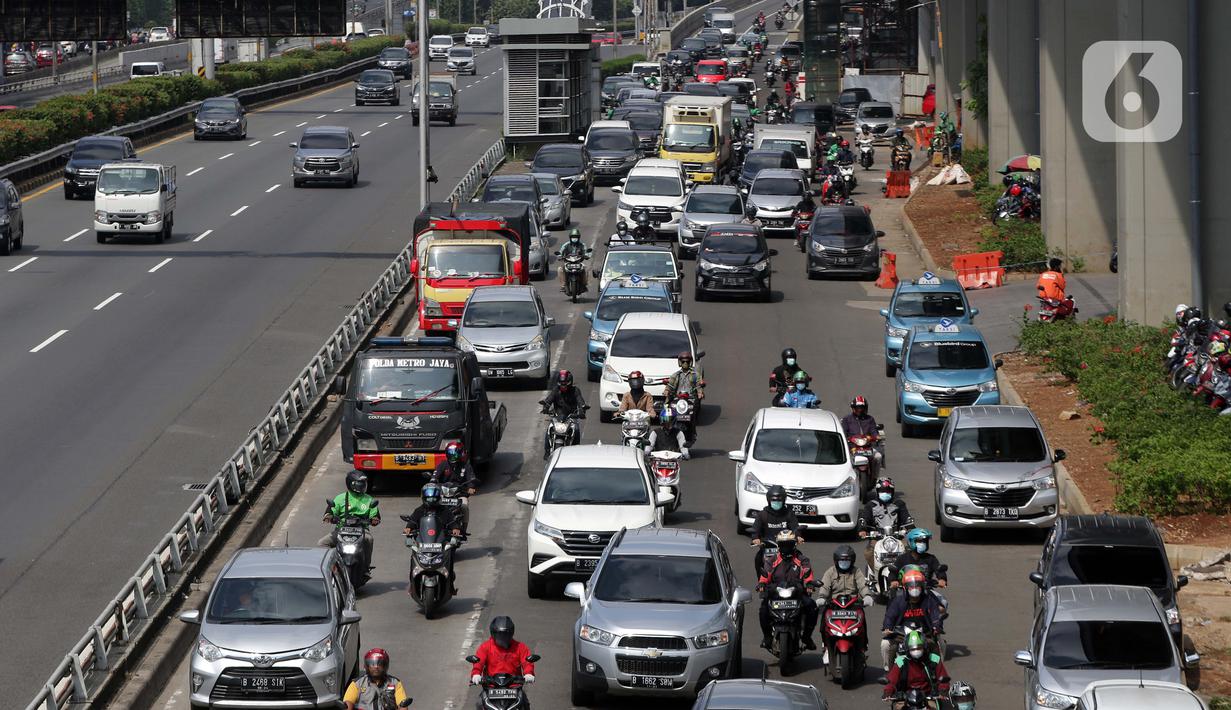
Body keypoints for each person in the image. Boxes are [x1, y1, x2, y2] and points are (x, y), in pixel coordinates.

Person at [757, 530, 819, 651]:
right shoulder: (772, 560)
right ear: (779, 546)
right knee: (763, 609)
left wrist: (809, 584)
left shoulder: (802, 559)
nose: (786, 547)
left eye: (789, 544)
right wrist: (762, 584)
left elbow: (807, 573)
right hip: (776, 593)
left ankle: (807, 637)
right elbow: (765, 575)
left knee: (812, 607)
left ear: (794, 544)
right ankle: (767, 637)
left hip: (797, 592)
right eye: (783, 545)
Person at [402, 482, 462, 594]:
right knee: (413, 557)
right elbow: (412, 521)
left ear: (438, 497)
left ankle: (450, 585)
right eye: (429, 498)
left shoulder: (445, 511)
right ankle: (412, 584)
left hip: (441, 541)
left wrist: (455, 528)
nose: (431, 501)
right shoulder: (419, 510)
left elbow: (453, 522)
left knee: (450, 556)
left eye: (434, 498)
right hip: (423, 541)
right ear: (424, 498)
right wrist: (408, 528)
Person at [817, 545, 875, 660]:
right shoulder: (830, 572)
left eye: (847, 560)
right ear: (836, 561)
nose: (844, 563)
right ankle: (827, 646)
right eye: (842, 560)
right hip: (834, 605)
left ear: (852, 561)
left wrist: (867, 596)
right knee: (824, 620)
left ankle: (863, 646)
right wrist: (822, 597)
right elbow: (825, 586)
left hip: (853, 604)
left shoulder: (856, 571)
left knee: (862, 620)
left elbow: (862, 585)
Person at [880, 569, 945, 671]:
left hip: (924, 634)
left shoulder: (928, 599)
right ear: (905, 588)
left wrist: (936, 626)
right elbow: (889, 616)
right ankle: (888, 671)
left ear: (922, 586)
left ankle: (939, 672)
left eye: (917, 585)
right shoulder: (898, 601)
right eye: (911, 586)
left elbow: (935, 614)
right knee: (885, 644)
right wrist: (887, 628)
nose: (914, 588)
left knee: (939, 645)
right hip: (901, 635)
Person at [319, 471, 381, 559]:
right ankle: (332, 565)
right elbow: (331, 510)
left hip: (362, 531)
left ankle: (366, 568)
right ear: (351, 484)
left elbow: (375, 515)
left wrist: (374, 519)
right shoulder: (340, 498)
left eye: (364, 483)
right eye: (360, 483)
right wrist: (329, 516)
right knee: (322, 543)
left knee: (369, 539)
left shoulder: (369, 499)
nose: (363, 485)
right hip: (341, 530)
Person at [857, 477, 914, 569]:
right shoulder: (870, 505)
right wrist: (862, 529)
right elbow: (864, 519)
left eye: (888, 491)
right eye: (882, 491)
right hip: (877, 537)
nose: (885, 493)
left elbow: (906, 517)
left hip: (897, 536)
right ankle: (875, 573)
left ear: (892, 491)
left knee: (910, 550)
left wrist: (911, 528)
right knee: (869, 553)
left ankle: (905, 572)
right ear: (877, 491)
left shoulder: (899, 504)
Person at [882, 630, 950, 705]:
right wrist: (888, 691)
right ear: (907, 649)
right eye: (913, 649)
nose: (916, 651)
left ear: (924, 647)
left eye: (919, 648)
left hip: (928, 696)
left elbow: (943, 678)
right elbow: (892, 680)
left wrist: (943, 690)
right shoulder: (900, 662)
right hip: (905, 698)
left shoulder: (934, 659)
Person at [750, 485, 801, 576]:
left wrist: (798, 536)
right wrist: (755, 538)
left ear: (783, 500)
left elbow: (795, 528)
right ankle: (762, 584)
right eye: (774, 500)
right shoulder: (762, 515)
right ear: (769, 500)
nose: (776, 502)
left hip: (787, 547)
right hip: (767, 548)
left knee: (800, 558)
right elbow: (755, 529)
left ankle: (801, 584)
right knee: (758, 559)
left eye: (779, 501)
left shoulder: (789, 514)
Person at [890, 529, 948, 608]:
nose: (923, 543)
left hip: (925, 591)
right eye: (919, 541)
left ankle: (936, 620)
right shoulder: (902, 558)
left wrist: (942, 579)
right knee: (892, 605)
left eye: (924, 541)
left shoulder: (931, 558)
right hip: (905, 591)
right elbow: (893, 571)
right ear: (911, 542)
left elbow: (939, 569)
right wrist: (893, 581)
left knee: (942, 604)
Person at [471, 616, 536, 686]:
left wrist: (529, 673)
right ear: (493, 634)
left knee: (523, 697)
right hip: (491, 687)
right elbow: (479, 662)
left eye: (506, 634)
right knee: (481, 697)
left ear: (511, 633)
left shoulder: (521, 647)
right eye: (500, 635)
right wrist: (476, 674)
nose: (503, 638)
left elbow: (527, 662)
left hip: (514, 686)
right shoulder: (485, 647)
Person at [432, 441, 478, 536]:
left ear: (460, 453)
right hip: (443, 493)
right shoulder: (443, 464)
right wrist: (432, 482)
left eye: (455, 454)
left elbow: (471, 479)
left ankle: (464, 530)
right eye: (450, 454)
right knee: (431, 504)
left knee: (464, 505)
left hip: (459, 493)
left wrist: (471, 487)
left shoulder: (466, 466)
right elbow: (434, 477)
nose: (453, 456)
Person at [539, 369, 587, 457]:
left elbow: (580, 401)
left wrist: (582, 409)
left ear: (570, 382)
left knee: (576, 429)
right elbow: (549, 399)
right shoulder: (555, 390)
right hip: (557, 417)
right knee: (549, 430)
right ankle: (546, 451)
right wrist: (545, 406)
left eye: (565, 384)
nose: (563, 386)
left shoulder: (575, 390)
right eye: (561, 384)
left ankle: (576, 452)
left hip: (571, 417)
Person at [343, 648, 409, 710]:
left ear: (385, 666)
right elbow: (348, 702)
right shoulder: (357, 684)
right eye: (372, 664)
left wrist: (402, 707)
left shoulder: (395, 683)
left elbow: (402, 705)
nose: (376, 667)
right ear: (367, 666)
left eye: (379, 664)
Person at [841, 395, 883, 468]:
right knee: (843, 459)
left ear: (865, 408)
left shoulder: (870, 419)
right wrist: (846, 439)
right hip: (852, 446)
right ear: (853, 408)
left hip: (868, 446)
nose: (860, 410)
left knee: (878, 456)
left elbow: (873, 430)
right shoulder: (846, 419)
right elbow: (844, 432)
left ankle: (874, 477)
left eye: (862, 408)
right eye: (858, 408)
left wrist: (876, 436)